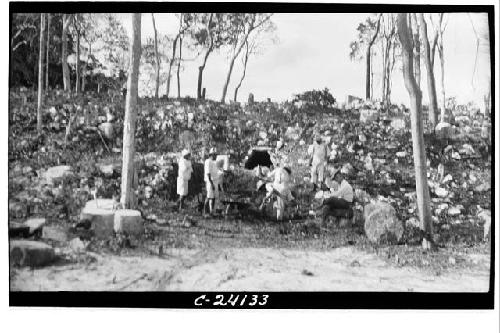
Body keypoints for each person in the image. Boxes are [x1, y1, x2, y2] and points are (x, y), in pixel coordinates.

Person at [203, 147, 218, 216]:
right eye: (215, 155)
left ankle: (212, 211)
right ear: (211, 155)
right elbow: (208, 173)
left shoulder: (214, 162)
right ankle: (205, 212)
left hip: (215, 181)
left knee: (214, 197)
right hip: (210, 181)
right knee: (209, 197)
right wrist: (211, 183)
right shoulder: (208, 161)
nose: (216, 156)